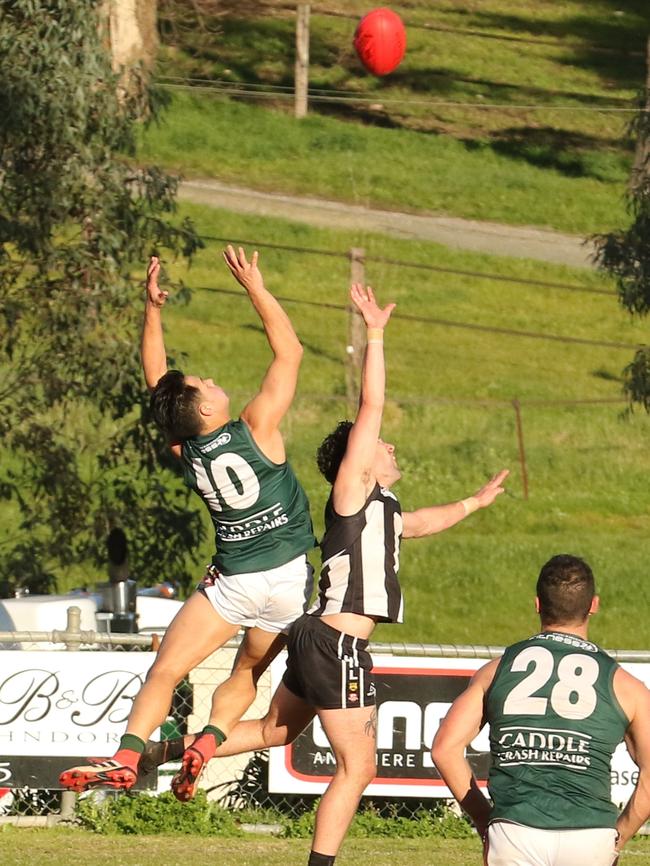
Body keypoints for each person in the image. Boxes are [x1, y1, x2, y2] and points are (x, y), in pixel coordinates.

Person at [146, 282, 508, 865]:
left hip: (319, 639)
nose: (389, 447)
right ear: (359, 461)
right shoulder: (352, 490)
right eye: (380, 446)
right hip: (336, 644)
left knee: (273, 732)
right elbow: (371, 409)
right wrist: (376, 333)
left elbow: (420, 522)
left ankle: (160, 753)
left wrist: (473, 504)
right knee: (357, 767)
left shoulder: (382, 512)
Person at [59, 246, 316, 793]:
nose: (213, 381)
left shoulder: (188, 452)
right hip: (290, 580)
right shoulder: (256, 428)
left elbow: (158, 386)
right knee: (245, 672)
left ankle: (128, 755)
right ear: (203, 409)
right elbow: (289, 351)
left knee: (165, 672)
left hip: (234, 582)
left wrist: (151, 310)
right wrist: (254, 287)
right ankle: (210, 738)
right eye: (205, 383)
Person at [431, 553, 650, 866]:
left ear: (537, 604)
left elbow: (444, 749)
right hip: (590, 834)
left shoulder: (496, 671)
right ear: (594, 605)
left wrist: (485, 819)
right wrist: (619, 836)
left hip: (515, 830)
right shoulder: (626, 685)